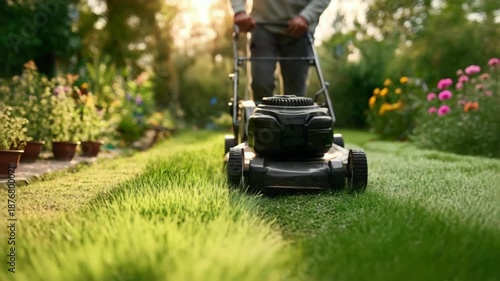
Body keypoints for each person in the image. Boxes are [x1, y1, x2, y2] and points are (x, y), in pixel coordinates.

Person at [230, 0, 331, 101]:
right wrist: (239, 11)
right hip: (262, 26)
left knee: (295, 97)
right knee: (261, 85)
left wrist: (307, 16)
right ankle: (263, 115)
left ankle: (292, 116)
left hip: (299, 31)